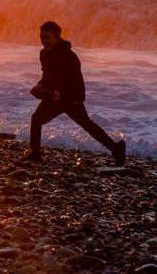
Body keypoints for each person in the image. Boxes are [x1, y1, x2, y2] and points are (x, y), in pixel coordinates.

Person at [20, 21, 126, 166]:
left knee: (87, 125)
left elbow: (74, 79)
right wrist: (39, 86)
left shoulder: (68, 55)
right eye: (42, 38)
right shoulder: (44, 54)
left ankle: (116, 149)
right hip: (53, 96)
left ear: (57, 37)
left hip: (70, 97)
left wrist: (73, 97)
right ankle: (35, 154)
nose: (44, 41)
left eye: (47, 38)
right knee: (37, 118)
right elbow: (46, 76)